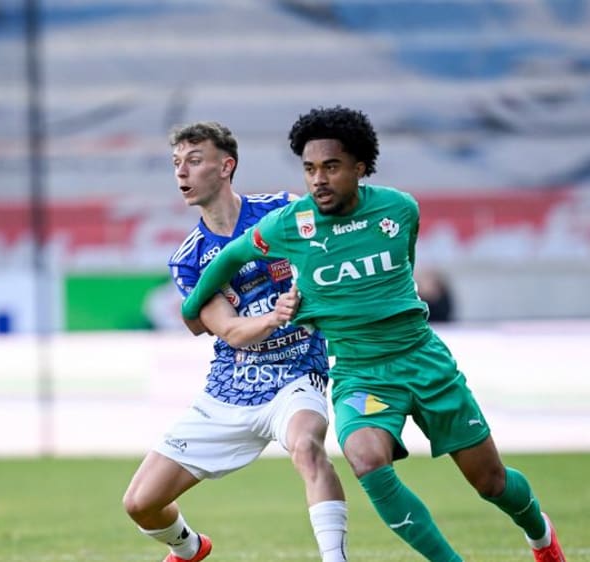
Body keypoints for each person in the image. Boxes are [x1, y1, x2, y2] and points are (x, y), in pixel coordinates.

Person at [180, 106, 567, 561]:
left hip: (424, 360)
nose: (318, 179)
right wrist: (192, 307)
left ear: (360, 167)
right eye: (309, 169)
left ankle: (541, 535)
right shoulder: (289, 224)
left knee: (491, 482)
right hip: (360, 373)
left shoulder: (399, 209)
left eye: (331, 167)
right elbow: (231, 256)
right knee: (365, 458)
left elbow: (401, 265)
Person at [122, 121, 349, 562]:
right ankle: (190, 549)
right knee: (140, 503)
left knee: (307, 448)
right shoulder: (188, 258)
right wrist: (275, 315)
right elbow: (228, 330)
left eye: (194, 160)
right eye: (176, 163)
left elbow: (333, 248)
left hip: (295, 373)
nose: (181, 172)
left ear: (226, 166)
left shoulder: (283, 211)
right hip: (230, 387)